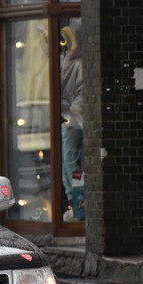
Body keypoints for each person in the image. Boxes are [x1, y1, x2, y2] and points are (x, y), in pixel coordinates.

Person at [60, 24, 84, 221]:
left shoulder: (73, 63)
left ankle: (76, 204)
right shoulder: (76, 63)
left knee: (71, 164)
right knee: (73, 163)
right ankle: (76, 203)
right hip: (73, 118)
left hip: (72, 120)